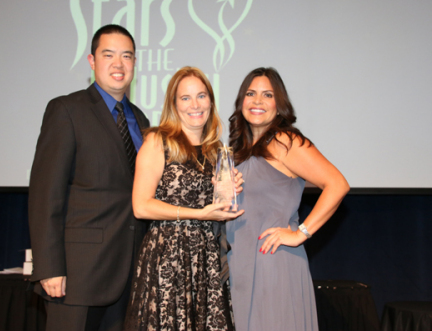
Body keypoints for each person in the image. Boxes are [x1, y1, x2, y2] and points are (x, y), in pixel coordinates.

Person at [28, 24, 149, 331]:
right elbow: (46, 195)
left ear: (135, 63)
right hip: (78, 275)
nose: (118, 64)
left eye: (127, 56)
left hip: (130, 273)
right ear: (92, 61)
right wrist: (50, 268)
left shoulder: (141, 120)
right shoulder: (67, 110)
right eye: (108, 55)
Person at [226, 67, 350, 331]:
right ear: (241, 102)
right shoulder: (239, 150)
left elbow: (337, 184)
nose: (257, 101)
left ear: (279, 105)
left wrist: (301, 233)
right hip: (240, 266)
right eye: (251, 93)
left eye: (267, 95)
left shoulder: (284, 141)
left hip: (273, 264)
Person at [124, 66, 244, 330]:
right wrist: (199, 214)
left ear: (211, 101)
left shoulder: (217, 151)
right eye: (185, 98)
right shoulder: (158, 142)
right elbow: (141, 206)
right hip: (167, 255)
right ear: (174, 104)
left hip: (206, 259)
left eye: (201, 96)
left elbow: (218, 207)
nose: (195, 105)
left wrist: (230, 189)